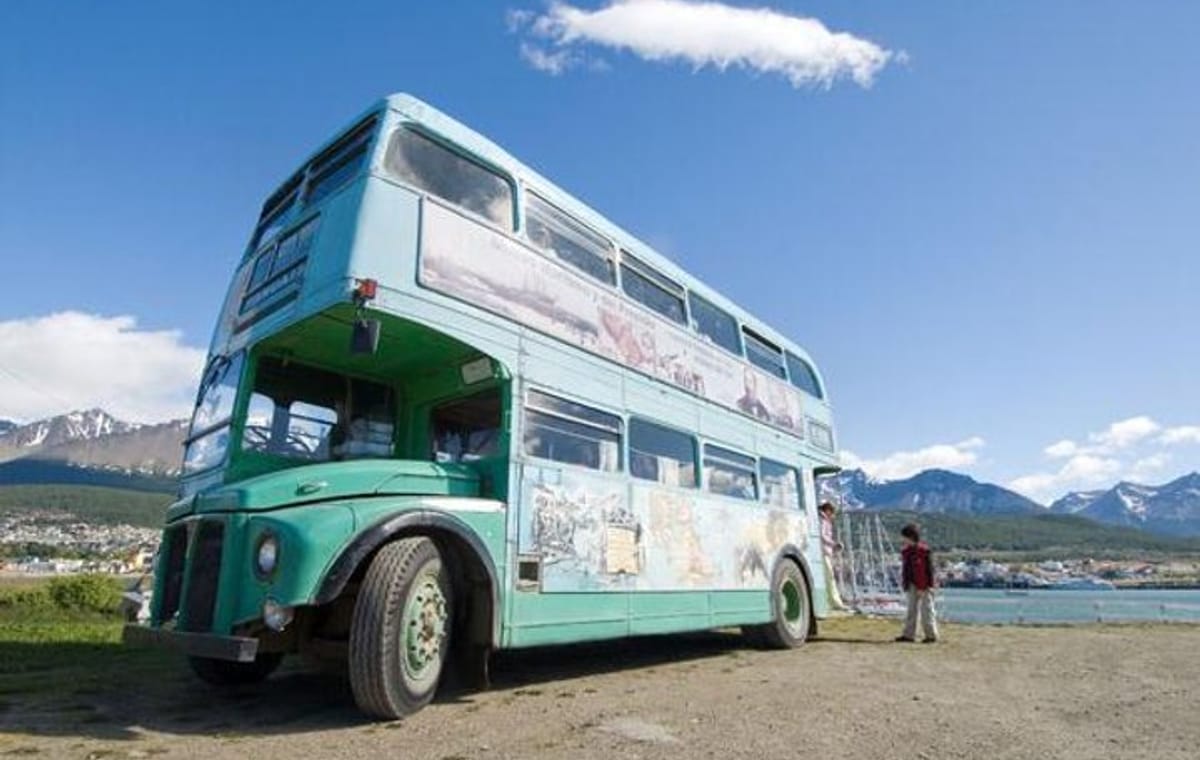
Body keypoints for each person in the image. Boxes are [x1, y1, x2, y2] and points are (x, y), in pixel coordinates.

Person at [896, 523, 939, 643]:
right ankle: (909, 634)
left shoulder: (923, 551)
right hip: (912, 584)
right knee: (911, 609)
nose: (902, 539)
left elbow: (928, 570)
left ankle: (931, 635)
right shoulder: (907, 552)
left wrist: (926, 586)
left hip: (924, 585)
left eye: (904, 537)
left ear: (910, 537)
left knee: (927, 610)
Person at [818, 502, 847, 611]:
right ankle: (835, 602)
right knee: (830, 577)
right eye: (833, 513)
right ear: (828, 511)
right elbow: (822, 535)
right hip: (823, 552)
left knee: (827, 577)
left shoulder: (823, 520)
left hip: (825, 551)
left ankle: (829, 602)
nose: (834, 516)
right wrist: (834, 544)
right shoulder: (823, 521)